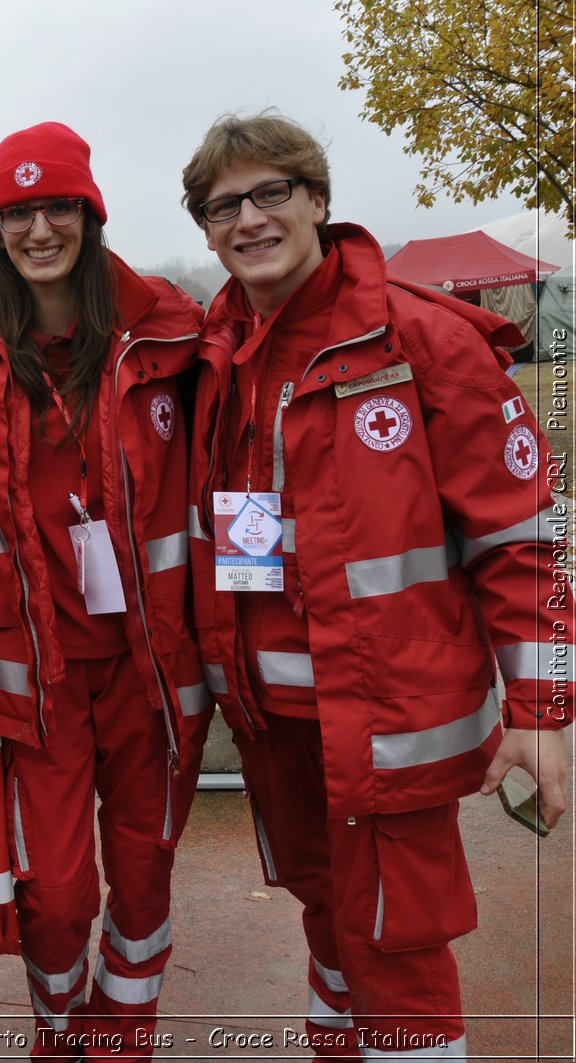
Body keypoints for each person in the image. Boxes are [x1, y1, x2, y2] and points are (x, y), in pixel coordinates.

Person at [179, 111, 570, 1059]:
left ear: (318, 199)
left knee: (398, 941)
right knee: (330, 919)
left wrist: (542, 707)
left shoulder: (423, 339)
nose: (250, 220)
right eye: (223, 205)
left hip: (390, 717)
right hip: (276, 716)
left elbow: (522, 539)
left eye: (271, 192)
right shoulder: (218, 351)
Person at [0, 122, 212, 1060]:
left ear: (89, 213)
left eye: (56, 208)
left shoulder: (171, 333)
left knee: (144, 863)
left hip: (152, 666)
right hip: (29, 671)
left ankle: (124, 1028)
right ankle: (59, 1024)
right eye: (16, 211)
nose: (38, 228)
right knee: (51, 891)